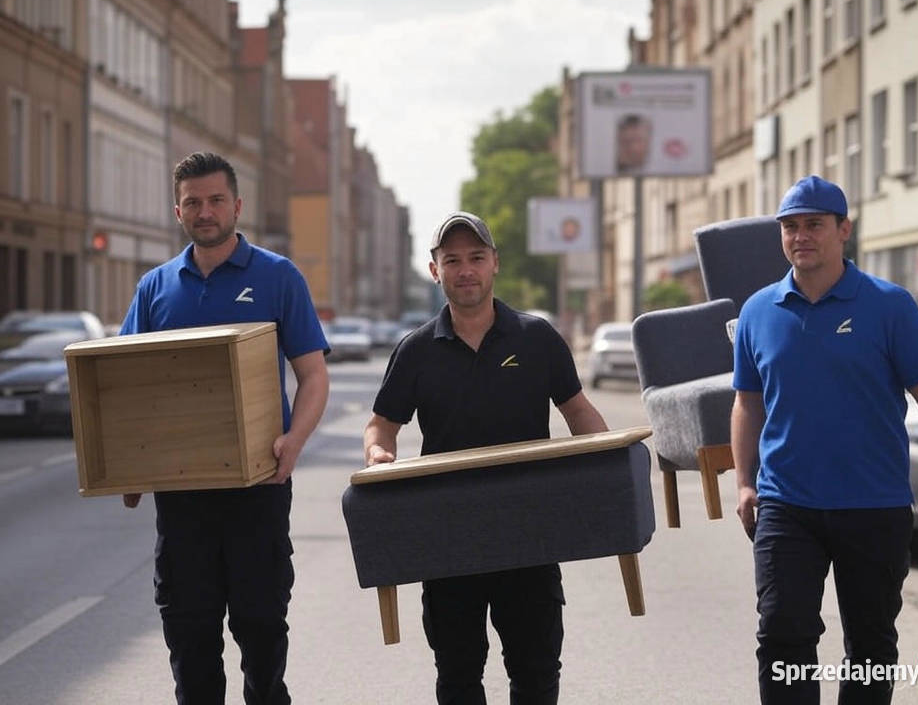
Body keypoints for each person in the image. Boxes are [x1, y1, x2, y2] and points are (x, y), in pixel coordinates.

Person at [731, 175, 918, 704]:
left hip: (874, 505)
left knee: (871, 645)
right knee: (783, 635)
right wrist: (745, 483)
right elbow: (748, 402)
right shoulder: (758, 311)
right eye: (790, 226)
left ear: (844, 230)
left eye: (814, 224)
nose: (800, 235)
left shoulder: (889, 305)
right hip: (787, 504)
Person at [363, 211, 608, 704]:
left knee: (536, 672)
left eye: (476, 257)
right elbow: (382, 425)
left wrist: (612, 471)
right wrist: (378, 454)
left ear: (495, 263)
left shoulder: (535, 338)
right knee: (457, 676)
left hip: (529, 536)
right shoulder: (415, 350)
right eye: (452, 260)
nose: (465, 269)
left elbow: (579, 412)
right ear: (435, 271)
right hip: (448, 540)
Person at [119, 151, 330, 705]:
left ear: (237, 205)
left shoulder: (278, 276)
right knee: (191, 645)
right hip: (183, 497)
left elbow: (312, 376)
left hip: (258, 488)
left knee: (261, 632)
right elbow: (121, 386)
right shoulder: (155, 288)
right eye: (193, 202)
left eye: (215, 200)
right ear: (178, 211)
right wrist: (128, 465)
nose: (205, 211)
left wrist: (294, 441)